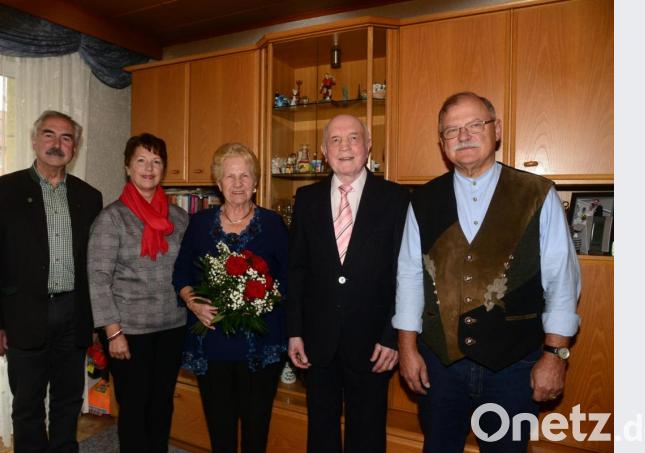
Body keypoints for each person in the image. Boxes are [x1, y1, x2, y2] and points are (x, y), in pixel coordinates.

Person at [393, 92, 581, 452]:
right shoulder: (422, 199)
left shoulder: (537, 193)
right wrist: (407, 348)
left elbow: (562, 280)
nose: (463, 135)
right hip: (440, 366)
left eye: (475, 124)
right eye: (452, 130)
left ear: (496, 131)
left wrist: (554, 356)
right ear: (442, 142)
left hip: (514, 367)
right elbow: (409, 276)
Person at [0, 110, 103, 452]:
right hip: (24, 316)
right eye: (49, 135)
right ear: (34, 140)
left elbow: (94, 265)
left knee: (68, 399)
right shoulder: (2, 191)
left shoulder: (90, 197)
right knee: (28, 405)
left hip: (73, 314)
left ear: (74, 148)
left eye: (66, 138)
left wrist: (93, 319)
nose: (57, 144)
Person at [286, 114, 410, 453]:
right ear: (324, 151)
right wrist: (295, 330)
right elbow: (296, 269)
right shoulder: (307, 199)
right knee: (321, 431)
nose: (345, 147)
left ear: (368, 146)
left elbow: (408, 273)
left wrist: (393, 335)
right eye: (336, 140)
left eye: (353, 138)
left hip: (374, 345)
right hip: (318, 342)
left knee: (367, 434)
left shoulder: (396, 199)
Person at [173, 143, 288, 453]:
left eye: (245, 176)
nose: (238, 183)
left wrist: (267, 297)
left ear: (255, 182)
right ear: (218, 182)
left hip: (261, 345)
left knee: (256, 429)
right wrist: (192, 302)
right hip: (213, 343)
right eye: (230, 176)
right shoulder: (199, 224)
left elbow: (290, 280)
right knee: (220, 429)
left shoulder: (273, 224)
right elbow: (181, 274)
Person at [87, 133, 189, 453]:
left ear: (164, 168)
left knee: (161, 404)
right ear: (128, 167)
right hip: (128, 333)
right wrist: (112, 331)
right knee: (133, 408)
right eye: (141, 160)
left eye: (156, 161)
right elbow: (98, 278)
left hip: (172, 327)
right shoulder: (111, 218)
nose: (149, 168)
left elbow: (188, 270)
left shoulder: (179, 218)